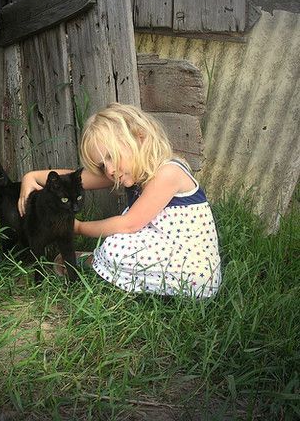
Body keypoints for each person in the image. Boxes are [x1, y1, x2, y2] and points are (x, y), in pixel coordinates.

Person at [18, 103, 221, 297]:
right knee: (119, 243)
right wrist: (30, 177)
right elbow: (70, 178)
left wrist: (77, 227)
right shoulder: (128, 171)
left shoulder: (168, 173)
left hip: (195, 272)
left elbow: (129, 224)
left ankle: (92, 262)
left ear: (139, 138)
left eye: (110, 156)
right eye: (102, 165)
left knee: (116, 244)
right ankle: (103, 265)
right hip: (170, 260)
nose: (109, 170)